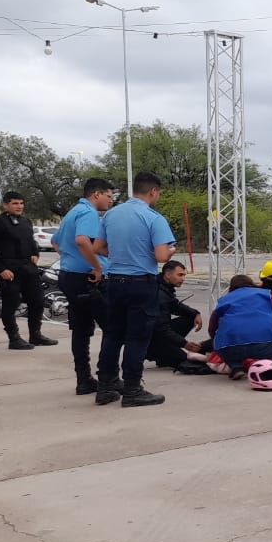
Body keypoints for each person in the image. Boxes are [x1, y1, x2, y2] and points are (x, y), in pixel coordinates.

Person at [94, 172, 176, 408]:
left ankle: (106, 386)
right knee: (137, 338)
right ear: (153, 192)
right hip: (141, 283)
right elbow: (161, 256)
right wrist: (170, 251)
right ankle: (132, 389)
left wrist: (120, 256)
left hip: (114, 281)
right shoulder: (154, 218)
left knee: (113, 335)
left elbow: (97, 247)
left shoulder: (111, 214)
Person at [52, 178, 115, 393]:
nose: (111, 201)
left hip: (69, 275)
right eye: (109, 195)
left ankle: (84, 379)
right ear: (96, 194)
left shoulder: (72, 212)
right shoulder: (88, 213)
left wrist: (70, 258)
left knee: (81, 330)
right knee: (112, 328)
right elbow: (81, 240)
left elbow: (56, 242)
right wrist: (97, 267)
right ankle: (108, 378)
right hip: (87, 279)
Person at [0, 191, 57, 350]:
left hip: (28, 268)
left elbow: (31, 242)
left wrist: (35, 254)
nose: (19, 206)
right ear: (6, 205)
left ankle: (36, 335)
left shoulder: (26, 222)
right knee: (11, 304)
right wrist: (1, 269)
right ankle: (14, 338)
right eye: (15, 203)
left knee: (37, 301)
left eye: (21, 203)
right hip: (9, 269)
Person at [208, 274, 272, 381]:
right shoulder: (266, 294)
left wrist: (216, 342)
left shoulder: (224, 300)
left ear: (231, 288)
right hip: (266, 344)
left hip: (232, 348)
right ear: (251, 284)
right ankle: (265, 364)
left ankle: (235, 367)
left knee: (219, 341)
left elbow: (212, 327)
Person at [148, 260, 206, 368]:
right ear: (168, 274)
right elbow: (162, 329)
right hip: (148, 340)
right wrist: (184, 343)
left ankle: (164, 355)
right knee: (189, 361)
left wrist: (196, 313)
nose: (183, 279)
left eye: (184, 275)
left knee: (190, 317)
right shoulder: (159, 294)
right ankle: (159, 353)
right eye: (180, 275)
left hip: (156, 334)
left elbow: (176, 306)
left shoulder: (163, 287)